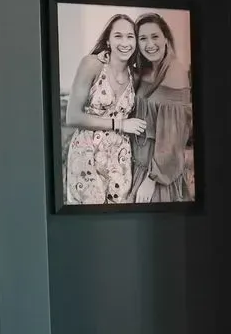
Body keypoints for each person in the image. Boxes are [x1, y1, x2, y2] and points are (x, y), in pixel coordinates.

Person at [61, 15, 147, 204]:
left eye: (130, 36)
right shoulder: (92, 64)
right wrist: (120, 124)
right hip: (87, 153)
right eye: (118, 36)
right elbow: (72, 116)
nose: (125, 43)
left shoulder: (136, 75)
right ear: (108, 40)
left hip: (120, 159)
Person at [129, 13, 195, 203]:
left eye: (155, 36)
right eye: (143, 38)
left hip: (157, 176)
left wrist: (152, 179)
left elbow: (173, 140)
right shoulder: (146, 71)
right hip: (138, 167)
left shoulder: (175, 73)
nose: (150, 44)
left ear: (166, 38)